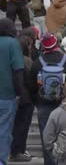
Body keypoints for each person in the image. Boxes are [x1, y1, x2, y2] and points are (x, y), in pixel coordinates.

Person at [27, 33, 66, 165]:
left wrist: (38, 103)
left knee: (47, 139)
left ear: (43, 45)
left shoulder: (37, 63)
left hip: (44, 106)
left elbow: (31, 88)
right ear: (57, 43)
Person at [0, 18, 26, 165]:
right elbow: (18, 71)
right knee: (3, 131)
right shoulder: (12, 44)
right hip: (6, 94)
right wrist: (20, 93)